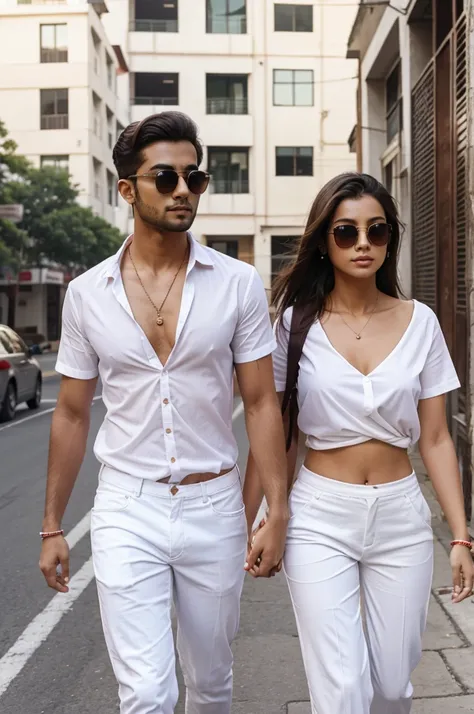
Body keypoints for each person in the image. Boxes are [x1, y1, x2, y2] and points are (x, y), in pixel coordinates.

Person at [39, 111, 289, 714]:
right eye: (166, 177)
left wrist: (274, 510)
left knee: (210, 685)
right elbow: (71, 414)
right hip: (129, 506)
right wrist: (52, 525)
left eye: (194, 178)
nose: (183, 190)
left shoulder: (237, 284)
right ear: (127, 189)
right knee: (148, 693)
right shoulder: (86, 294)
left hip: (215, 507)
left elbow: (260, 401)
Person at [243, 172, 474, 714]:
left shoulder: (421, 323)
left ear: (390, 238)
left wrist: (462, 536)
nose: (363, 243)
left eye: (376, 231)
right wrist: (256, 519)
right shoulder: (294, 326)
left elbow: (437, 438)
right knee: (342, 691)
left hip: (400, 516)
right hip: (320, 514)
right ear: (325, 240)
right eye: (346, 232)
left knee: (392, 687)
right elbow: (274, 431)